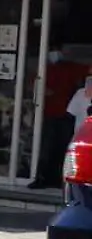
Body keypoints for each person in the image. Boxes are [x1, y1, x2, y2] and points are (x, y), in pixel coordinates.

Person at [31, 49, 89, 189]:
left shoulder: (69, 68)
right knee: (48, 147)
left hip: (64, 114)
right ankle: (44, 178)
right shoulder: (45, 69)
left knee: (59, 148)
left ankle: (57, 179)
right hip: (50, 113)